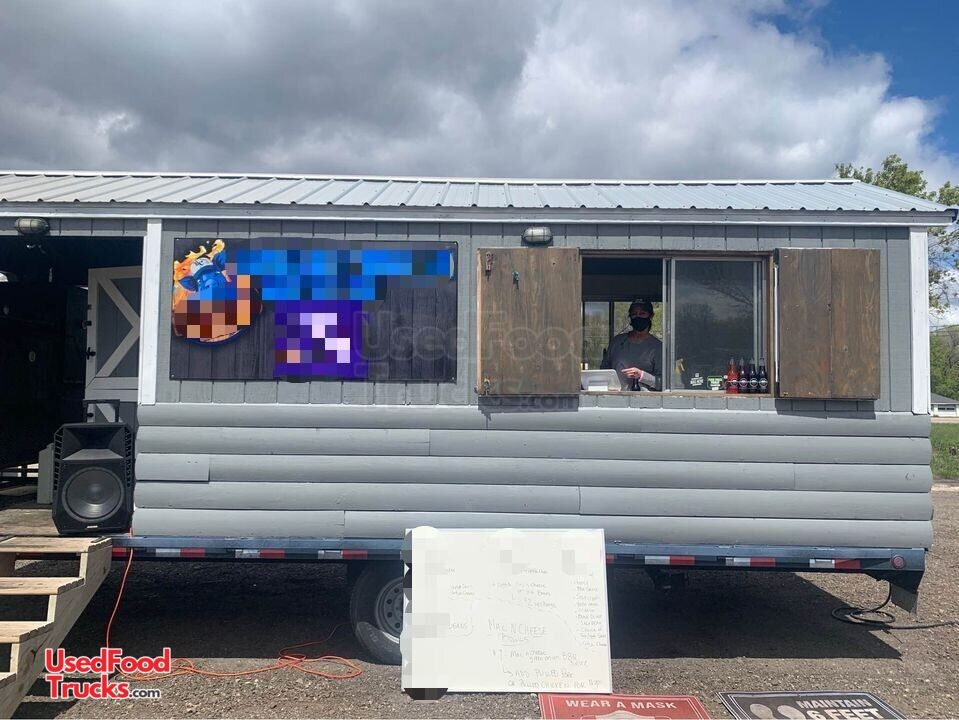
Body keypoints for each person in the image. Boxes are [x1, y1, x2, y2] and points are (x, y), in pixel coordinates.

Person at [604, 299, 662, 391]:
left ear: (651, 316)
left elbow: (663, 383)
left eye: (642, 313)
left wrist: (642, 375)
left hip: (645, 398)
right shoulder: (617, 342)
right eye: (634, 314)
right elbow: (603, 371)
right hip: (615, 397)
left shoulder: (657, 347)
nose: (638, 317)